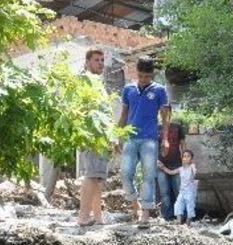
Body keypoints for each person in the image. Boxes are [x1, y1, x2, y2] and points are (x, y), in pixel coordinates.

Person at [116, 57, 171, 225]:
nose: (143, 80)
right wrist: (118, 136)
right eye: (140, 76)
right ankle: (135, 206)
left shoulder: (160, 90)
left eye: (147, 77)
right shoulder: (128, 89)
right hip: (130, 138)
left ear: (152, 74)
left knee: (148, 176)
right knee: (125, 173)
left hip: (150, 139)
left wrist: (165, 139)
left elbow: (165, 118)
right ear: (136, 72)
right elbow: (124, 115)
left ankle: (146, 213)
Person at [76, 48, 109, 226]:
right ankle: (83, 217)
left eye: (102, 60)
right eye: (97, 60)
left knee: (97, 176)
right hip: (93, 135)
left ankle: (97, 216)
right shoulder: (85, 80)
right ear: (87, 62)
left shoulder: (97, 81)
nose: (101, 63)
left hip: (100, 136)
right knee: (92, 175)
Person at [158, 149, 198, 225]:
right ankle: (179, 222)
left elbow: (194, 173)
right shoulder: (180, 169)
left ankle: (188, 223)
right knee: (178, 205)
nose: (186, 158)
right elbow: (170, 172)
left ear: (191, 159)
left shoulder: (192, 167)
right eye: (184, 156)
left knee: (190, 206)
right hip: (182, 192)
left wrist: (193, 169)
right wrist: (163, 167)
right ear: (182, 158)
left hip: (190, 191)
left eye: (188, 156)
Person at [157, 121, 185, 221]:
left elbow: (183, 144)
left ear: (170, 112)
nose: (164, 113)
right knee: (164, 193)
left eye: (166, 111)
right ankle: (167, 217)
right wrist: (155, 160)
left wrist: (185, 160)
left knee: (179, 191)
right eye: (161, 111)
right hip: (160, 165)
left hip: (176, 163)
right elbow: (152, 145)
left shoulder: (177, 126)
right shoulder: (157, 128)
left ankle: (181, 217)